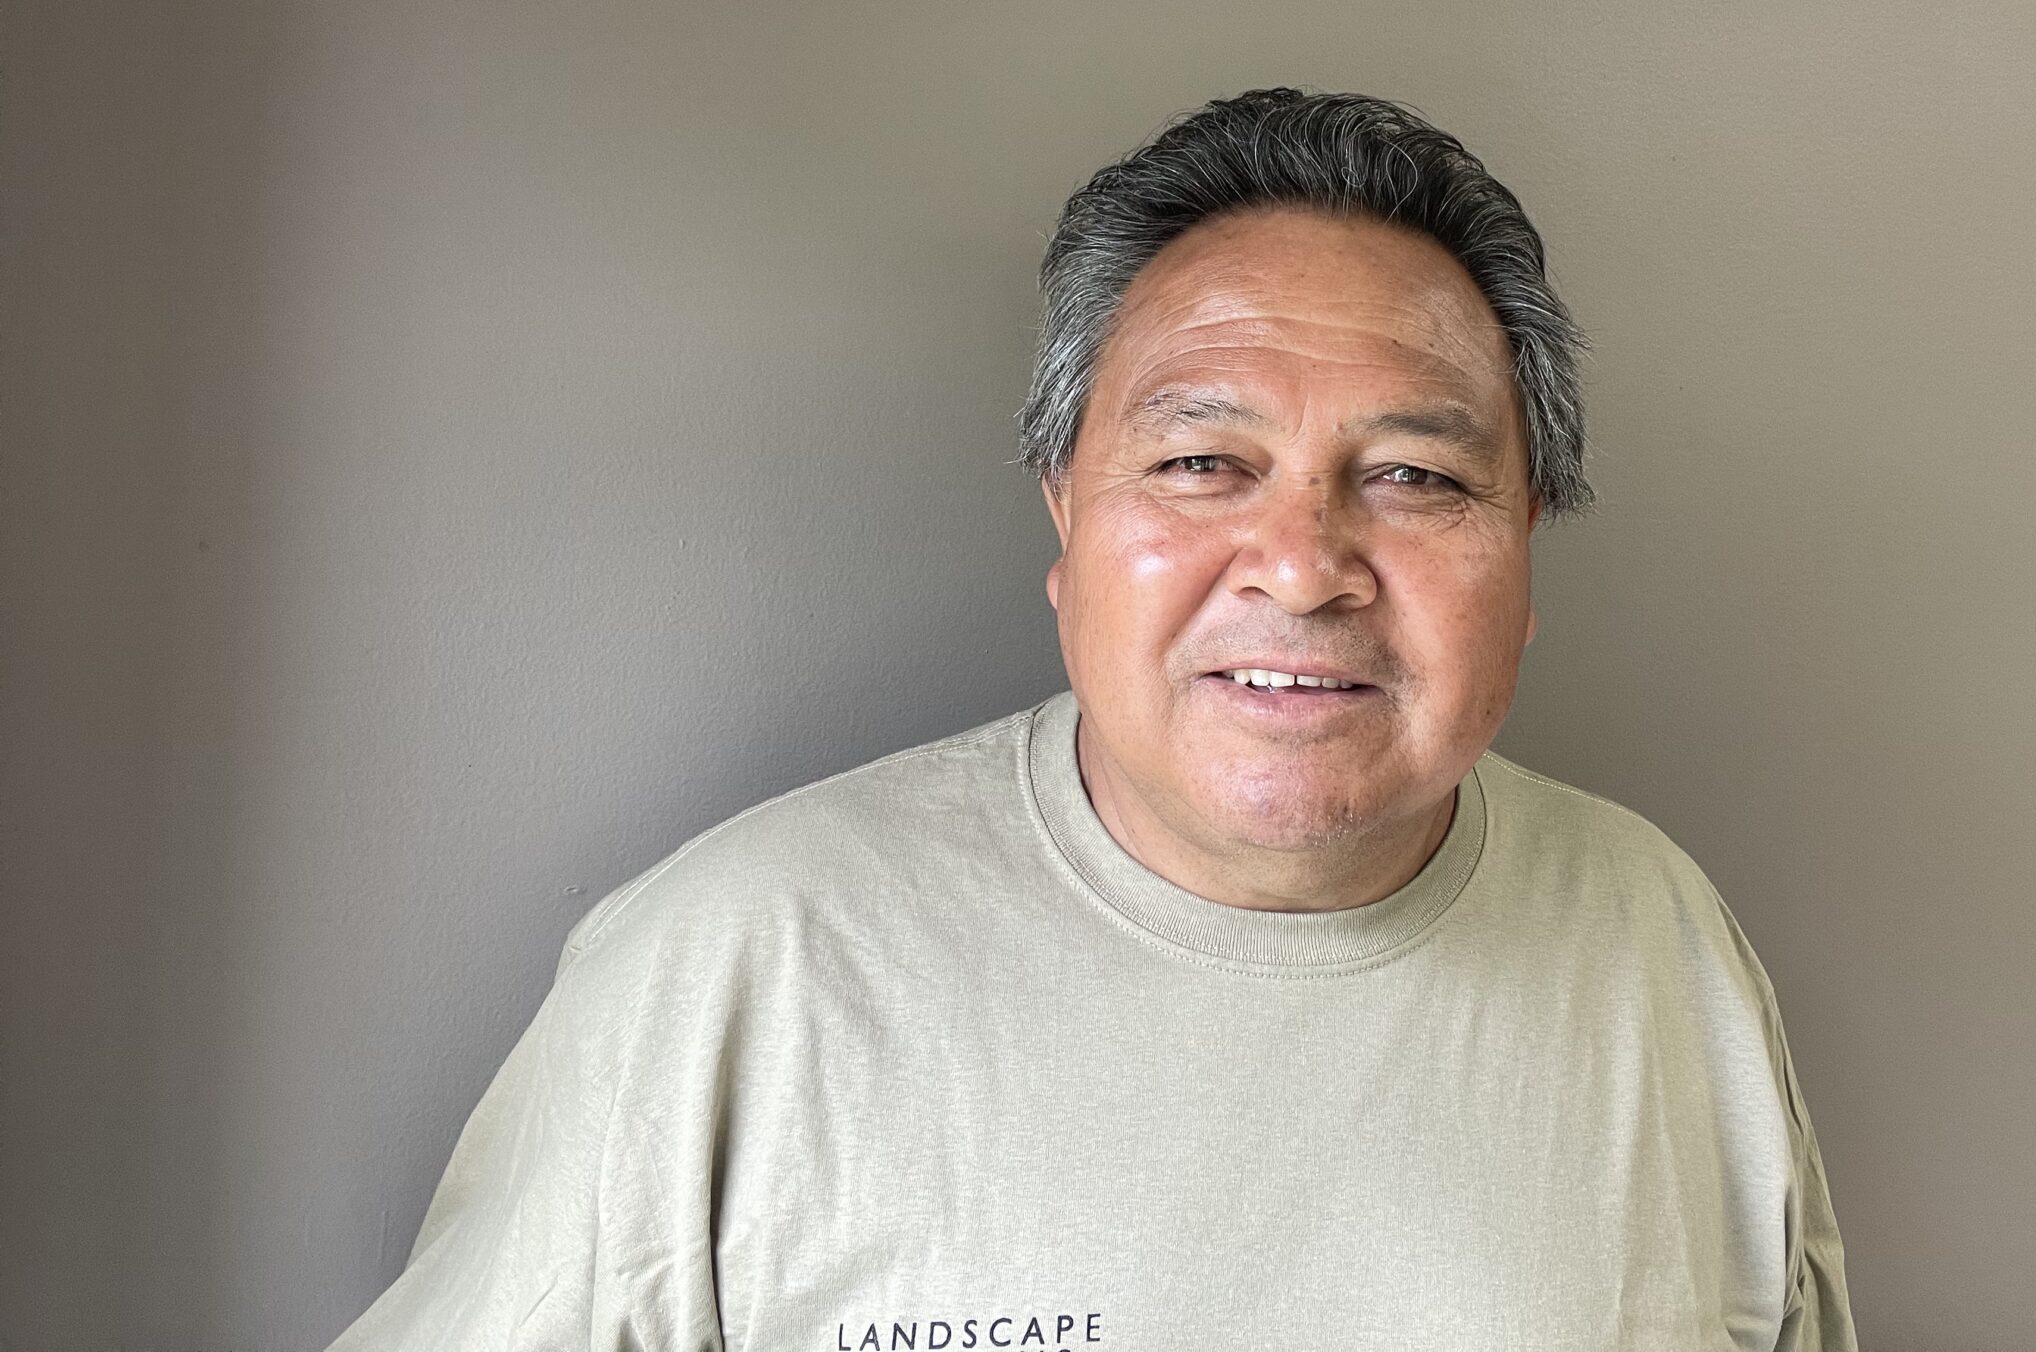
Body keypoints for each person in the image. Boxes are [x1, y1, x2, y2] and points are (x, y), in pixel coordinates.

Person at [328, 88, 1857, 1351]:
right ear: (1068, 521)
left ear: (1527, 552)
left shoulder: (1665, 939)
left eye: (1417, 476)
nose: (1304, 565)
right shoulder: (743, 964)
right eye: (1202, 463)